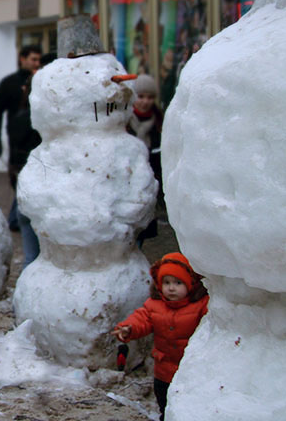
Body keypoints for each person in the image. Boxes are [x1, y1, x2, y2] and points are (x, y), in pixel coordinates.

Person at [111, 252, 209, 421]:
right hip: (163, 370)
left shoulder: (200, 306)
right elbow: (142, 319)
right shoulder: (155, 305)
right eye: (166, 283)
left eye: (178, 283)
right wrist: (128, 328)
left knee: (188, 405)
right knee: (164, 403)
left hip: (189, 370)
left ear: (190, 283)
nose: (171, 288)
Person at [0, 45, 42, 229]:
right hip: (17, 139)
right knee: (18, 178)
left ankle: (17, 218)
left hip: (36, 139)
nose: (36, 63)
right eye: (33, 59)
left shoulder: (40, 80)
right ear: (22, 59)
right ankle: (16, 219)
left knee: (30, 180)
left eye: (38, 60)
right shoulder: (10, 83)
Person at [6, 75, 41, 265]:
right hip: (41, 189)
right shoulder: (42, 123)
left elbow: (14, 153)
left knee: (30, 257)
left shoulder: (18, 119)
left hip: (23, 184)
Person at [127, 74, 164, 246]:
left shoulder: (159, 122)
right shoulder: (123, 121)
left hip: (148, 185)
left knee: (140, 238)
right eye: (141, 96)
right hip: (126, 184)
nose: (145, 101)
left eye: (150, 97)